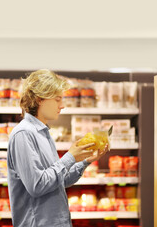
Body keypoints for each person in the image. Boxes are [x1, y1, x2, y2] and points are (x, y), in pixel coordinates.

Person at [7, 69, 109, 227]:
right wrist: (69, 157)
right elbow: (37, 186)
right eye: (57, 99)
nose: (62, 106)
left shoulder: (44, 133)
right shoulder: (23, 134)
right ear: (40, 99)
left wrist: (84, 161)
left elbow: (60, 181)